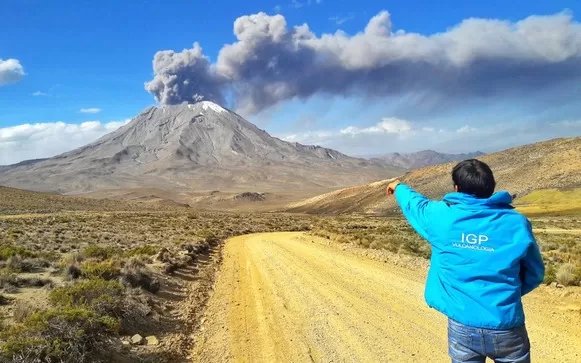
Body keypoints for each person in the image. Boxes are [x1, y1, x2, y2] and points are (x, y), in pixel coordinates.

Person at [386, 159, 545, 363]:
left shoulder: (441, 217)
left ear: (457, 188)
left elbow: (416, 204)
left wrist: (398, 186)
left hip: (462, 325)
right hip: (506, 324)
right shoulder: (516, 222)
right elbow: (535, 273)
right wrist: (507, 292)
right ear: (491, 187)